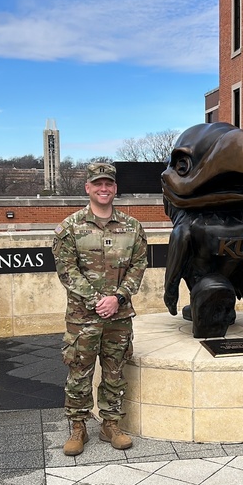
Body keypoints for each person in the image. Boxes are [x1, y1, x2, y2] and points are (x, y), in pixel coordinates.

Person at [52, 162, 148, 456]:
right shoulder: (70, 227)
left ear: (115, 189)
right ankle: (78, 427)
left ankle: (110, 424)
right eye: (98, 184)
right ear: (88, 188)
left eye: (109, 184)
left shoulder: (132, 227)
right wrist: (97, 301)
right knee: (80, 373)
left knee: (114, 371)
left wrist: (117, 298)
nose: (103, 189)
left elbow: (138, 266)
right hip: (83, 318)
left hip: (119, 317)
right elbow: (67, 271)